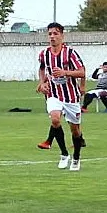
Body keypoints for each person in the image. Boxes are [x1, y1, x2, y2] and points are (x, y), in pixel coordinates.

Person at [36, 22, 86, 173]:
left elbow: (82, 72)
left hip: (71, 96)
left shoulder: (70, 53)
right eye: (50, 34)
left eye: (55, 33)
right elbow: (42, 68)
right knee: (55, 119)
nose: (52, 37)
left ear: (62, 36)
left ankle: (76, 157)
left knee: (75, 131)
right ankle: (64, 154)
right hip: (54, 94)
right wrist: (42, 83)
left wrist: (66, 72)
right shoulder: (44, 54)